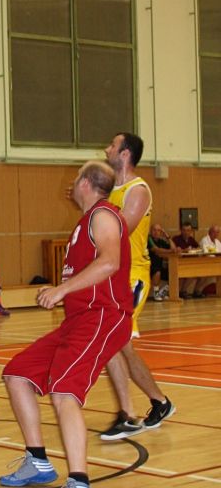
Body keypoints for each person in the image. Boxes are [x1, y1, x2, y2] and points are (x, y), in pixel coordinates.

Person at [0, 161, 132, 488]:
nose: (71, 186)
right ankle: (38, 462)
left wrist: (61, 289)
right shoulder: (85, 220)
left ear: (87, 184)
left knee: (63, 390)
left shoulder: (104, 215)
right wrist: (62, 291)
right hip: (77, 320)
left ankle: (79, 486)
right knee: (17, 374)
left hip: (102, 316)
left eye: (76, 180)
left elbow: (110, 263)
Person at [101, 132, 175, 440]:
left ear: (125, 153)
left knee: (115, 342)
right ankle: (157, 402)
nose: (106, 148)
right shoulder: (111, 190)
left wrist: (92, 208)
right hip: (114, 275)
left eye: (111, 144)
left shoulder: (138, 189)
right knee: (113, 344)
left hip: (134, 276)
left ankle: (130, 414)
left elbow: (119, 230)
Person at [172, 223, 205, 298]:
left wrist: (194, 250)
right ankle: (182, 292)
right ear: (181, 230)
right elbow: (174, 251)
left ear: (191, 231)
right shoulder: (176, 239)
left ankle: (196, 291)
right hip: (178, 264)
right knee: (192, 273)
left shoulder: (191, 239)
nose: (186, 232)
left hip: (190, 263)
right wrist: (184, 250)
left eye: (188, 230)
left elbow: (199, 248)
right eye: (184, 230)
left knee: (203, 272)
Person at [147, 224, 177, 301]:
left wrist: (168, 237)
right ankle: (156, 294)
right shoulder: (149, 239)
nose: (156, 232)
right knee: (157, 272)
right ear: (151, 231)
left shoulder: (161, 241)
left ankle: (162, 293)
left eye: (159, 230)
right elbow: (156, 250)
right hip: (149, 266)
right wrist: (170, 251)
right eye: (154, 230)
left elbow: (174, 248)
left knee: (174, 274)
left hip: (160, 265)